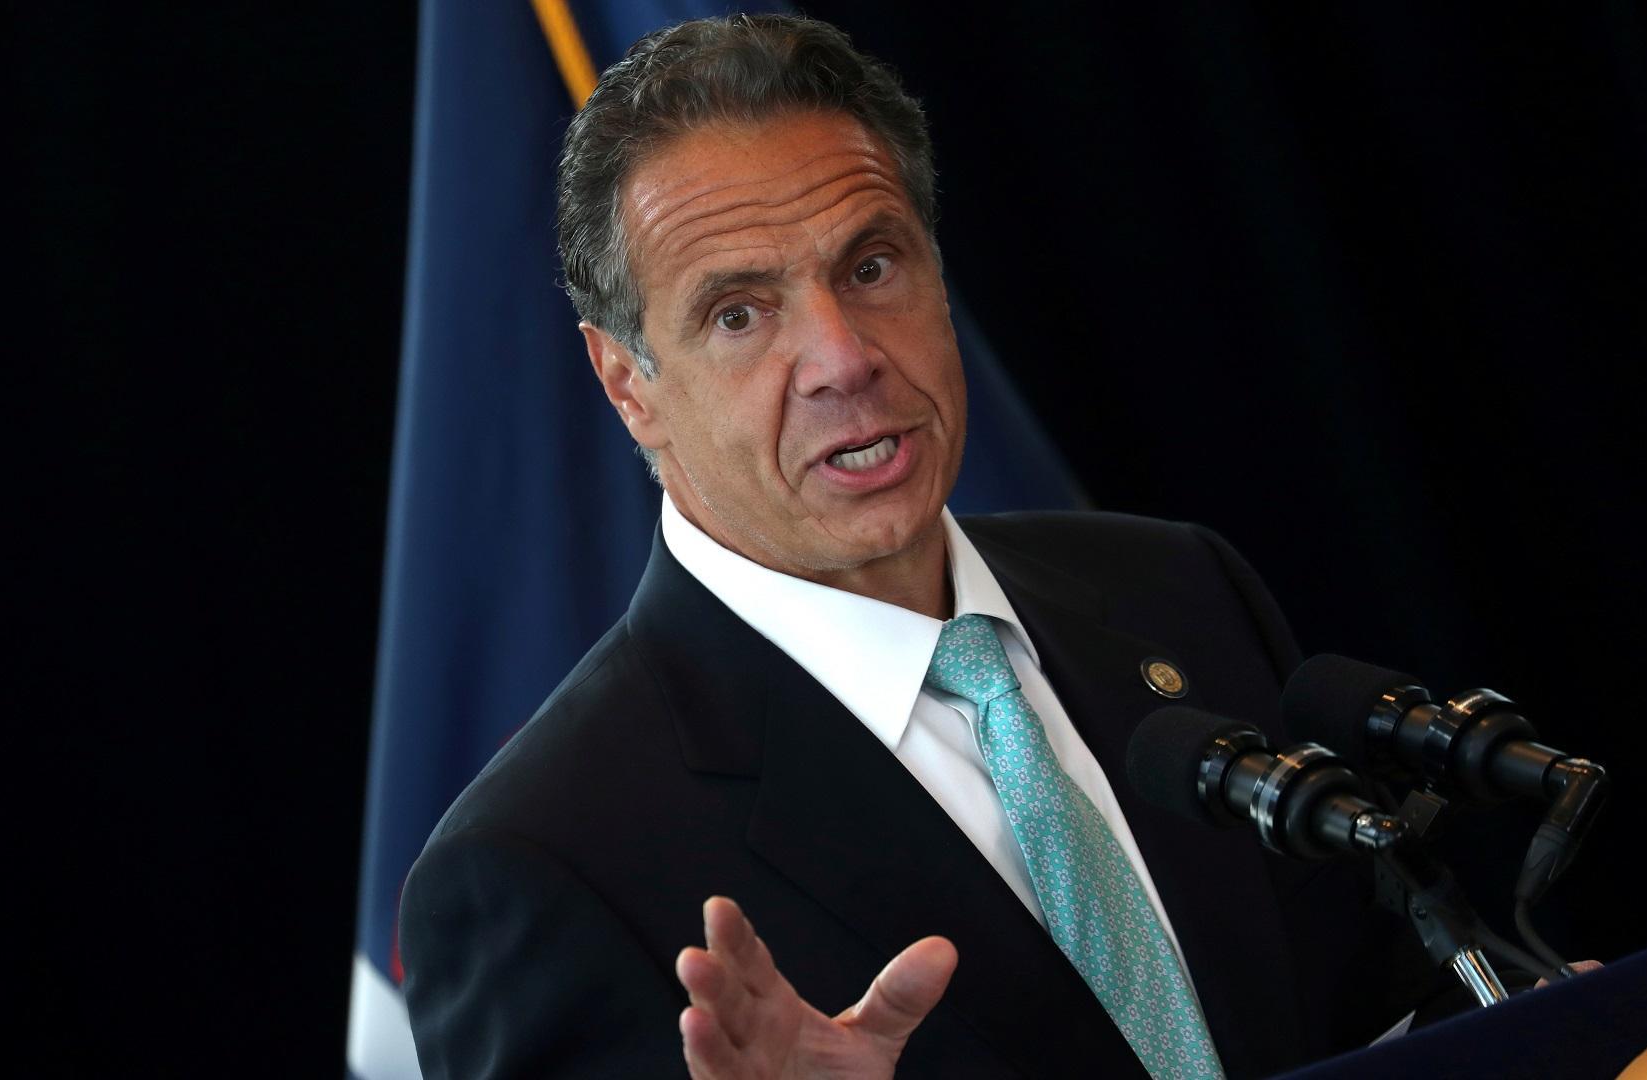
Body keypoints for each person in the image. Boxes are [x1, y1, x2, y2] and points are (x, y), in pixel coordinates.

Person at [398, 14, 1431, 1078]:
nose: (843, 359)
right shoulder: (540, 866)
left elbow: (1395, 1013)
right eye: (740, 315)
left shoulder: (1181, 593)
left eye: (872, 265)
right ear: (628, 384)